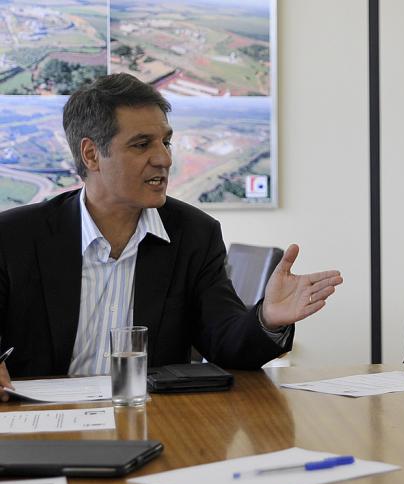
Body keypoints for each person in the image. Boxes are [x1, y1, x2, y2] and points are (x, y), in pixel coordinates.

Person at [0, 73, 342, 399]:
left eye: (166, 142)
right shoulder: (15, 237)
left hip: (156, 419)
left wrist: (266, 317)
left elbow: (225, 343)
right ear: (92, 154)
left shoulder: (194, 234)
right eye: (141, 144)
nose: (164, 159)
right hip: (41, 424)